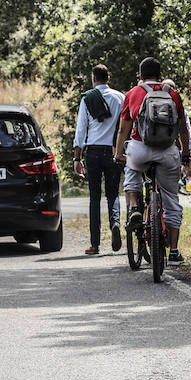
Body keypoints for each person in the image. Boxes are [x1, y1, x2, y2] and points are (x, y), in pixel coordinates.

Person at [113, 57, 191, 265]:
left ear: (140, 76)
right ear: (161, 75)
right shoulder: (173, 94)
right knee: (171, 200)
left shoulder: (133, 93)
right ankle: (174, 252)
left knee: (132, 179)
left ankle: (135, 209)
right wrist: (185, 156)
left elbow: (123, 129)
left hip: (140, 149)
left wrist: (119, 153)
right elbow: (183, 129)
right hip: (167, 151)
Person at [72, 64, 125, 254]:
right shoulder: (121, 98)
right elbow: (125, 127)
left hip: (93, 152)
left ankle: (95, 244)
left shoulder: (88, 98)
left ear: (93, 79)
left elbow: (81, 131)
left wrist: (77, 158)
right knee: (113, 194)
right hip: (113, 151)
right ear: (108, 79)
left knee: (94, 198)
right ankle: (115, 223)